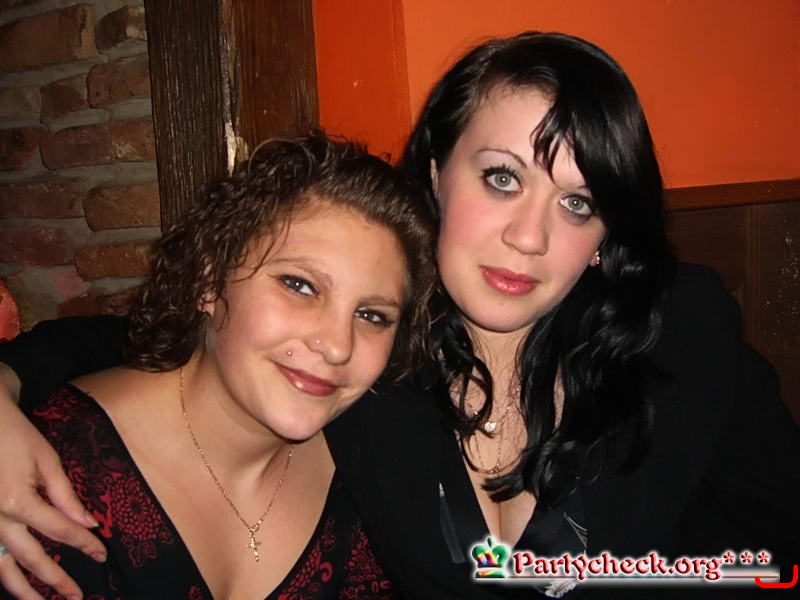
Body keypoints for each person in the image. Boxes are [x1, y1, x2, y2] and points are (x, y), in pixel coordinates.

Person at [1, 31, 799, 599]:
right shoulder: (370, 347)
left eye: (577, 203)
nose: (528, 236)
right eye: (502, 177)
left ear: (604, 238)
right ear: (438, 172)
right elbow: (171, 335)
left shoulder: (680, 334)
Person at [0, 131, 437, 599]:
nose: (336, 346)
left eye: (372, 315)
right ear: (210, 280)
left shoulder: (373, 466)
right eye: (299, 285)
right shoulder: (47, 472)